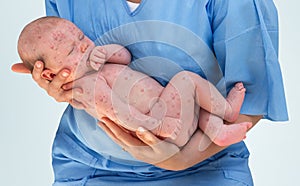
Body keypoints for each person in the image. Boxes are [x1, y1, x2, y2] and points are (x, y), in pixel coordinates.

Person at [12, 0, 288, 185]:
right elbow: (108, 104)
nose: (83, 46)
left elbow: (253, 95)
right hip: (93, 166)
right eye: (76, 47)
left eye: (82, 42)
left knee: (192, 93)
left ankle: (218, 122)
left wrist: (183, 158)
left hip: (205, 164)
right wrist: (63, 88)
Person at [17, 16, 252, 147]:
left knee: (196, 107)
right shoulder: (86, 88)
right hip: (160, 123)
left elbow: (125, 57)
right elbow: (120, 113)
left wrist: (106, 51)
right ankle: (228, 110)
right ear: (49, 74)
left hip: (166, 112)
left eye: (80, 35)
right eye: (71, 50)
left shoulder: (93, 62)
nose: (83, 44)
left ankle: (219, 132)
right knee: (186, 80)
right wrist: (157, 125)